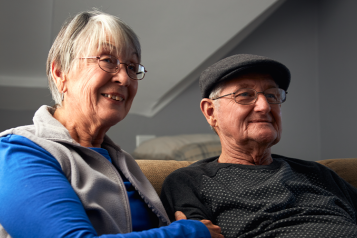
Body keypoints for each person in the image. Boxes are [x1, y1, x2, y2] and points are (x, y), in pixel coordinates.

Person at [0, 10, 223, 238]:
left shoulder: (122, 161)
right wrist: (189, 233)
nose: (124, 78)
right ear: (60, 73)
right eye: (107, 60)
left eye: (132, 67)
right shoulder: (18, 151)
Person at [160, 54, 357, 237]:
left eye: (272, 96)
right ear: (211, 112)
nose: (264, 106)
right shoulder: (191, 181)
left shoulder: (317, 173)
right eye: (245, 95)